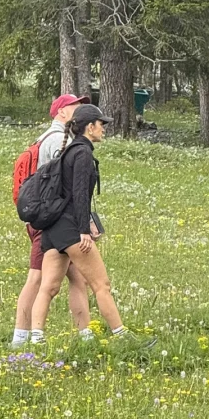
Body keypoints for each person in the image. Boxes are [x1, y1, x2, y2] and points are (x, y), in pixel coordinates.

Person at [30, 105, 127, 343]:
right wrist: (85, 231)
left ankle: (36, 338)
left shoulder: (68, 150)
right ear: (89, 127)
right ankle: (123, 337)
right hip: (72, 229)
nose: (103, 129)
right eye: (101, 124)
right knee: (101, 284)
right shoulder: (82, 153)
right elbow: (80, 195)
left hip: (53, 230)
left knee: (49, 287)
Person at [11, 94, 92, 347]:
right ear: (61, 113)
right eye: (75, 107)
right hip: (53, 222)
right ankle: (22, 338)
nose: (79, 111)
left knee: (79, 277)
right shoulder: (58, 140)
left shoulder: (46, 138)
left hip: (54, 219)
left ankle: (85, 336)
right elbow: (68, 183)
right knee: (38, 278)